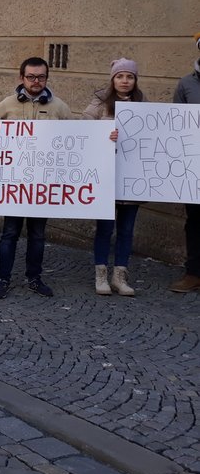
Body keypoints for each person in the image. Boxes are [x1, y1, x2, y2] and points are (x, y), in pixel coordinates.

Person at [0, 58, 71, 300]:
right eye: (31, 77)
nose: (36, 81)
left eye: (41, 77)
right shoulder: (7, 105)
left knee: (38, 235)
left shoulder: (60, 108)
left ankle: (35, 277)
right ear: (21, 78)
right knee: (9, 233)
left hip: (43, 184)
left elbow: (75, 142)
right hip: (14, 184)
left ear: (47, 78)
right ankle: (2, 279)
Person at [82, 58, 144, 296]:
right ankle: (101, 274)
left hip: (132, 179)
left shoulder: (143, 104)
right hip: (106, 177)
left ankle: (120, 275)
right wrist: (104, 136)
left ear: (135, 80)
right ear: (113, 79)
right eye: (120, 76)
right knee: (105, 229)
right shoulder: (100, 103)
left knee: (127, 230)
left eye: (129, 76)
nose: (125, 81)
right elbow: (84, 129)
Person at [170, 35, 200, 293]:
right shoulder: (187, 83)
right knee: (195, 220)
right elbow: (175, 123)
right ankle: (193, 273)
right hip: (195, 165)